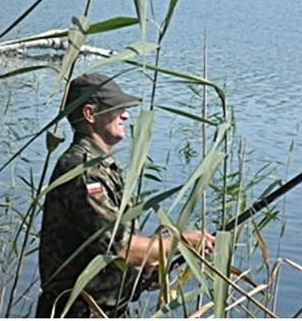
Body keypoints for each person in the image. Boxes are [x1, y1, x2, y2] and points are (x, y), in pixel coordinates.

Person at [36, 73, 214, 318]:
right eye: (116, 108)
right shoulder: (81, 171)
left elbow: (111, 248)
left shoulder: (103, 166)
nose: (125, 115)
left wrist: (143, 269)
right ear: (90, 114)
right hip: (78, 312)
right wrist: (182, 243)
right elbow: (120, 248)